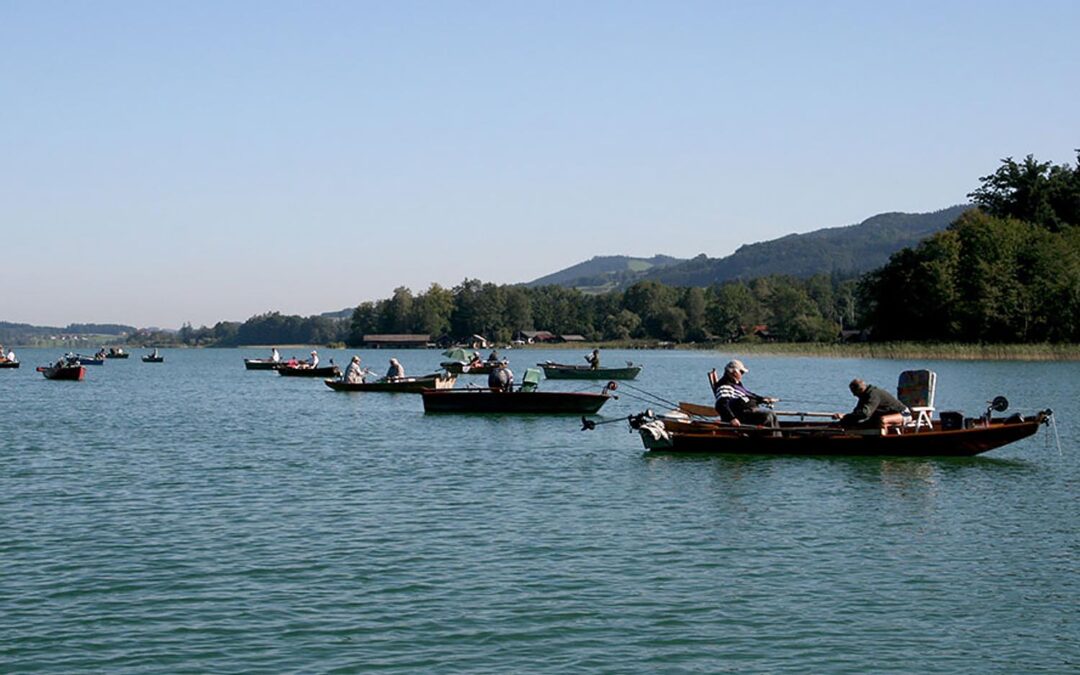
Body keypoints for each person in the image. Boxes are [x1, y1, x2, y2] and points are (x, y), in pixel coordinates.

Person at [711, 359, 779, 429]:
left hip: (749, 412)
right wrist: (732, 418)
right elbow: (721, 404)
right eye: (741, 372)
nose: (742, 375)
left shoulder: (736, 384)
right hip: (740, 416)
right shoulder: (725, 385)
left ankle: (777, 436)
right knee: (768, 415)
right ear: (733, 372)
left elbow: (749, 395)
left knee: (772, 415)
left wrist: (763, 399)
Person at [835, 378, 909, 430]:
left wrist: (846, 416)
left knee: (882, 420)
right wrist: (844, 418)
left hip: (903, 414)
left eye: (854, 392)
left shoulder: (873, 395)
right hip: (886, 413)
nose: (854, 395)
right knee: (863, 423)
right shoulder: (864, 395)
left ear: (860, 390)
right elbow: (857, 412)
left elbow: (865, 413)